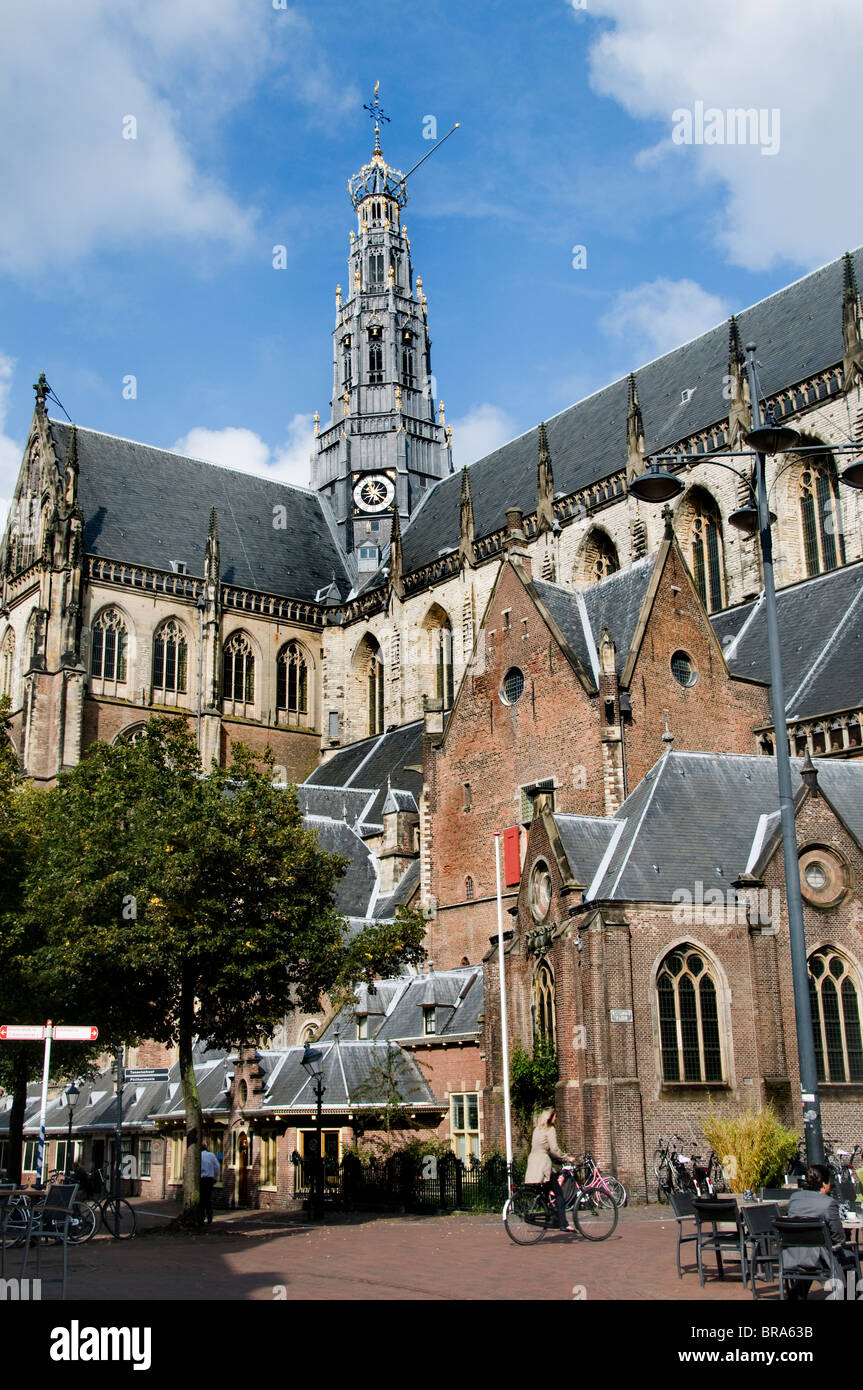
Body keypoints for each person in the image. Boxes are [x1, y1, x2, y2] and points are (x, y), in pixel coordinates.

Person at [784, 1163, 858, 1299]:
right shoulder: (828, 1203)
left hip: (793, 1255)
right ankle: (852, 1295)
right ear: (824, 1184)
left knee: (810, 1251)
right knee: (850, 1254)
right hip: (819, 1259)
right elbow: (839, 1237)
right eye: (829, 1182)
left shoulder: (794, 1198)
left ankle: (797, 1293)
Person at [525, 1107, 575, 1232]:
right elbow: (554, 1150)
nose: (556, 1118)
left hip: (533, 1164)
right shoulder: (550, 1130)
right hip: (543, 1165)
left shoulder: (537, 1129)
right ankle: (563, 1224)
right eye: (555, 1116)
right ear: (550, 1117)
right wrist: (567, 1158)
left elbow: (542, 1148)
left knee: (547, 1192)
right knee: (559, 1194)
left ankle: (552, 1217)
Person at [200, 1143, 220, 1226]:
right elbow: (217, 1166)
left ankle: (201, 1217)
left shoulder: (198, 1155)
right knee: (208, 1199)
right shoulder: (211, 1155)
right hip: (209, 1180)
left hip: (201, 1180)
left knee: (200, 1199)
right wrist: (215, 1177)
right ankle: (209, 1217)